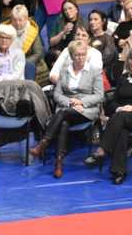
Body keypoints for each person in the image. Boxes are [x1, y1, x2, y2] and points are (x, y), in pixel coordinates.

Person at [84, 46, 132, 184]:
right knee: (122, 131)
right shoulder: (124, 78)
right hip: (123, 117)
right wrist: (119, 108)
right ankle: (119, 171)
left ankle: (102, 150)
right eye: (131, 58)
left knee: (121, 118)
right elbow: (113, 102)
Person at [29, 41, 104, 178]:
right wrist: (70, 102)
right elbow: (57, 95)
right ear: (71, 56)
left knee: (62, 114)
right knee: (63, 122)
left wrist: (81, 102)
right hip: (67, 108)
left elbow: (99, 95)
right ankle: (59, 162)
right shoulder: (65, 70)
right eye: (77, 55)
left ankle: (43, 143)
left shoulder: (94, 71)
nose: (80, 58)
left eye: (83, 54)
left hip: (86, 110)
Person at [3, 4, 49, 87]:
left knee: (28, 65)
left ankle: (28, 89)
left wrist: (21, 62)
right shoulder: (4, 30)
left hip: (29, 61)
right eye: (14, 20)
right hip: (10, 61)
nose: (17, 23)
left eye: (20, 20)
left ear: (26, 19)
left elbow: (38, 53)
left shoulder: (33, 31)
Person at [47, 0, 85, 65]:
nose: (67, 11)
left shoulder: (83, 23)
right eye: (65, 10)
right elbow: (51, 42)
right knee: (53, 54)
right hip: (58, 50)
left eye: (70, 8)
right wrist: (63, 32)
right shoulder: (59, 21)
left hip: (74, 51)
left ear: (76, 9)